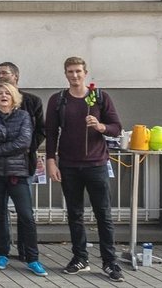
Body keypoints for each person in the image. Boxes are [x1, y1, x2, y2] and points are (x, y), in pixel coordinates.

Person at [45, 57, 124, 282]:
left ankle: (110, 262)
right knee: (75, 214)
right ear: (65, 74)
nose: (75, 75)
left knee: (103, 214)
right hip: (69, 165)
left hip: (96, 164)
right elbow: (51, 132)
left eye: (78, 71)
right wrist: (51, 160)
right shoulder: (58, 100)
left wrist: (101, 126)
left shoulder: (99, 98)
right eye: (70, 71)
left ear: (86, 73)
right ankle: (80, 258)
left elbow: (117, 128)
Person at [0, 83, 47, 276]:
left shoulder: (24, 116)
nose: (3, 95)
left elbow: (24, 142)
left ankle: (33, 259)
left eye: (7, 93)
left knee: (26, 215)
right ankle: (1, 253)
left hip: (17, 173)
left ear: (14, 96)